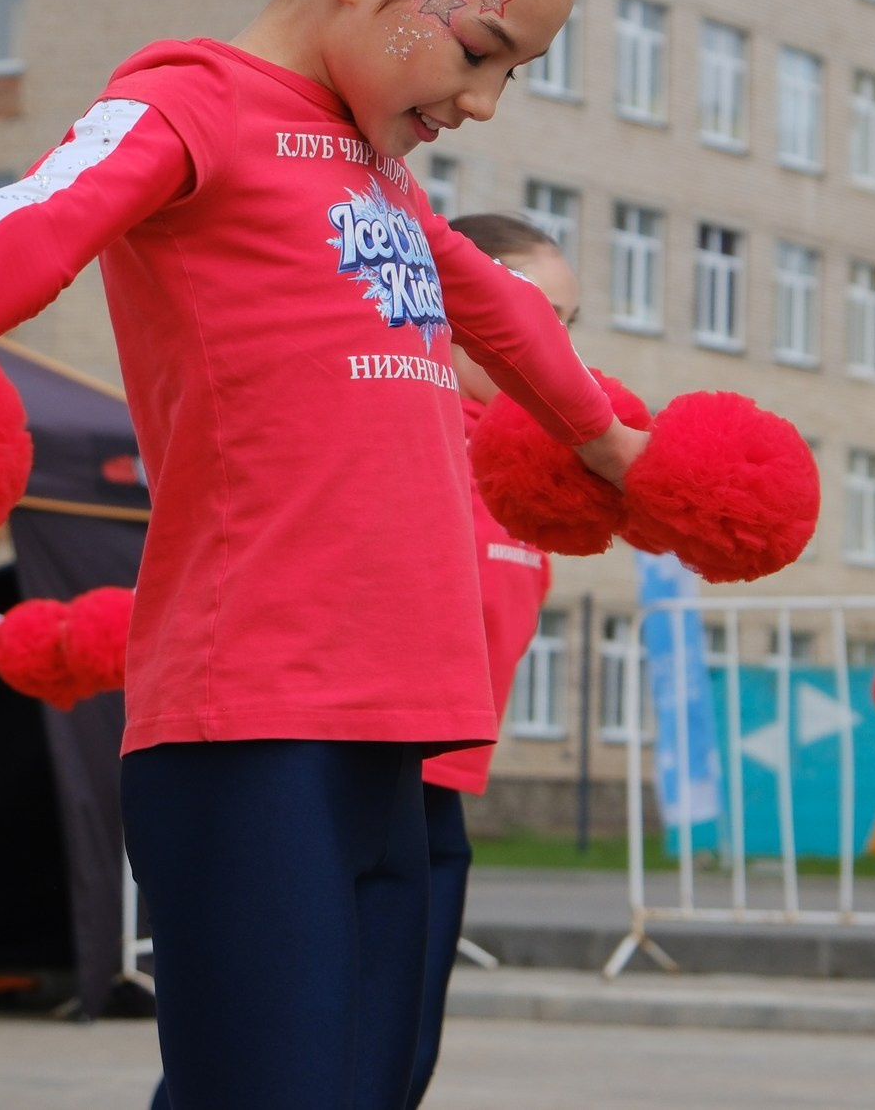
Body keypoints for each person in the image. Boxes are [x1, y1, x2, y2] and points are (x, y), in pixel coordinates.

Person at [0, 0, 634, 1110]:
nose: (485, 102)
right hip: (253, 718)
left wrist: (623, 446)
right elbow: (29, 223)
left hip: (399, 718)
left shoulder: (377, 169)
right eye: (482, 49)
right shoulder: (193, 106)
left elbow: (496, 306)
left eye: (515, 73)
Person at [405, 213, 576, 1109]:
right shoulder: (418, 424)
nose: (556, 345)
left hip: (447, 793)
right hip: (363, 778)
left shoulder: (529, 466)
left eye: (569, 323)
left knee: (405, 1060)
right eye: (536, 312)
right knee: (283, 1059)